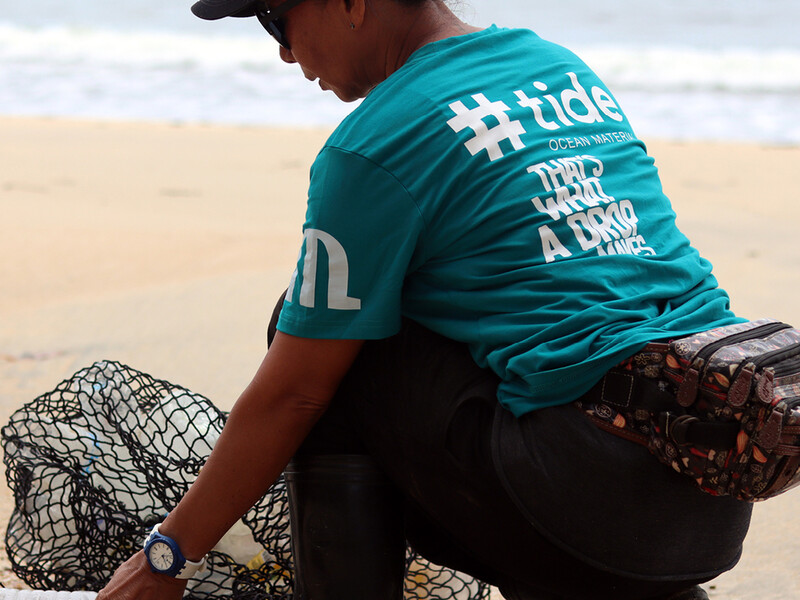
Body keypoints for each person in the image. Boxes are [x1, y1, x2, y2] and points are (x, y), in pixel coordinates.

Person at [97, 0, 754, 598]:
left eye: (276, 19)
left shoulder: (376, 143)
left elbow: (291, 396)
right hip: (710, 487)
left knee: (326, 343)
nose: (285, 53)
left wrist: (168, 556)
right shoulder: (557, 68)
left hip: (586, 504)